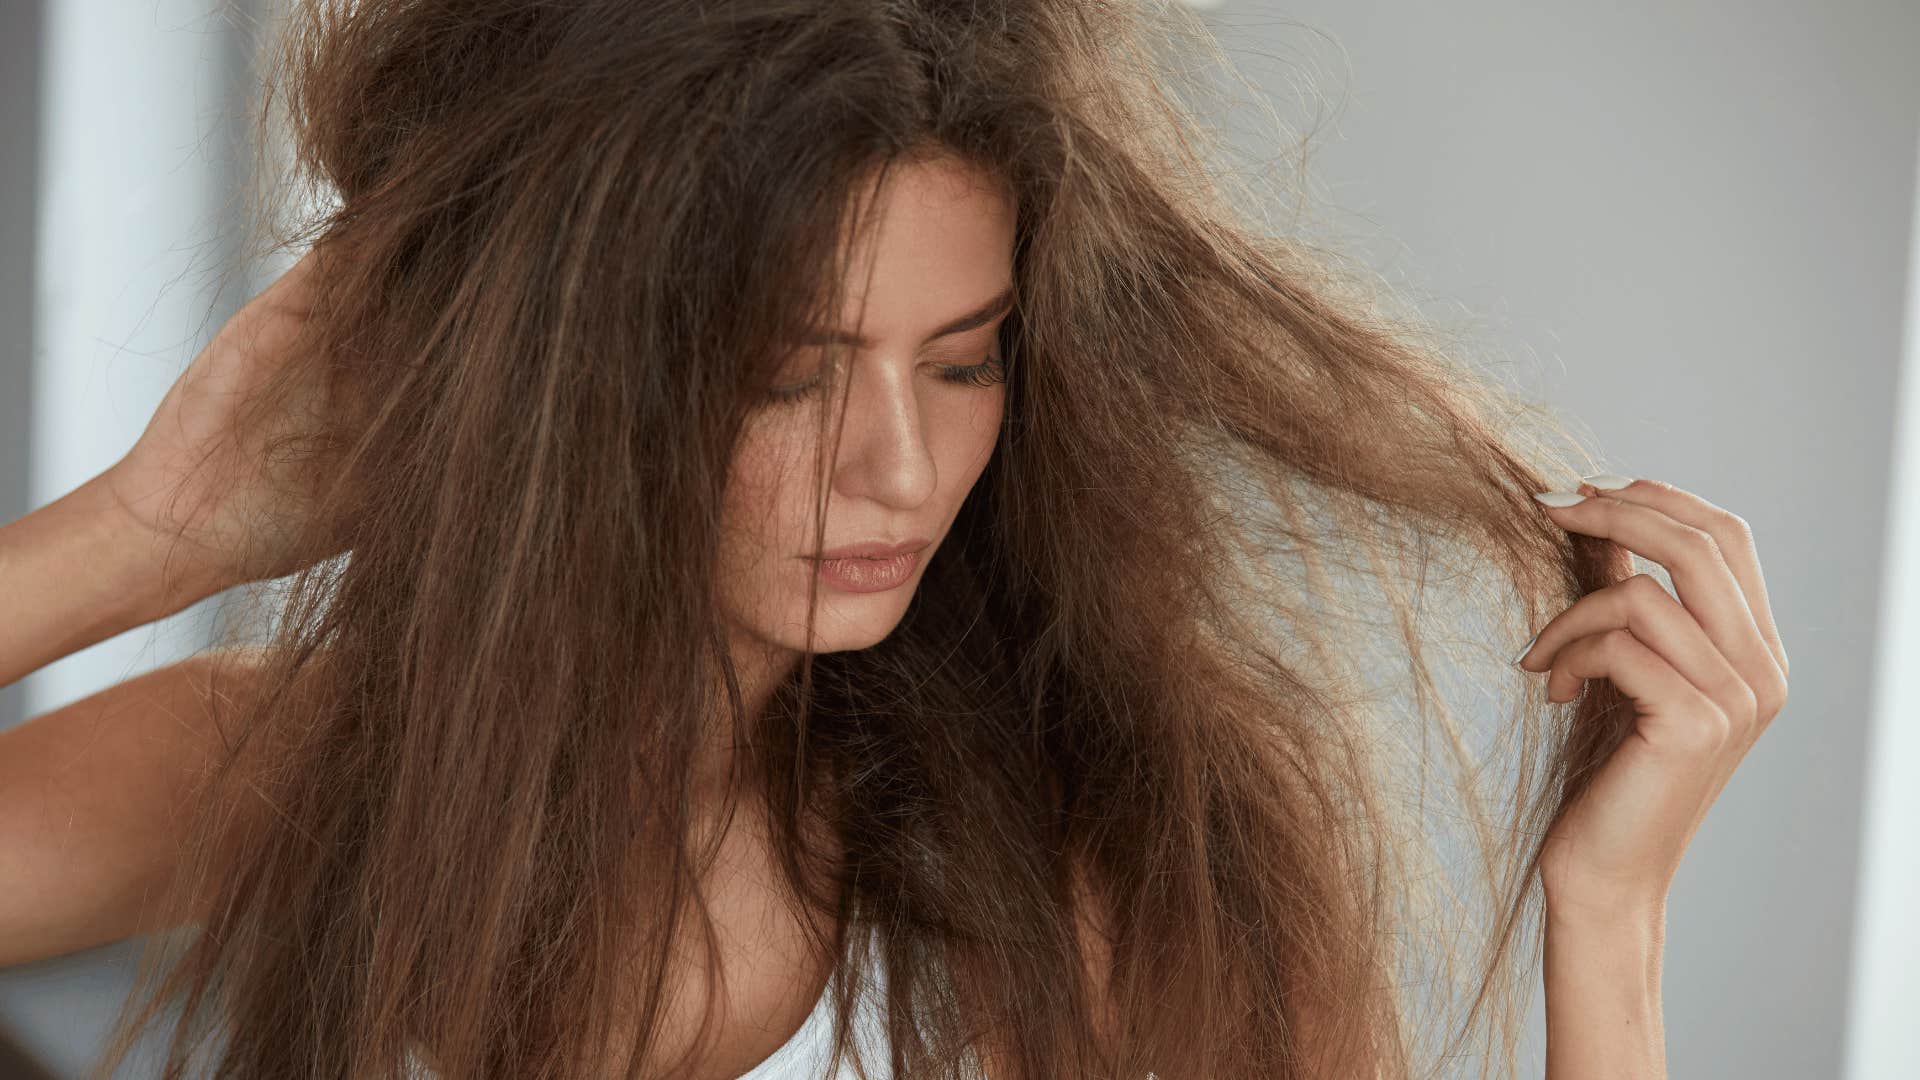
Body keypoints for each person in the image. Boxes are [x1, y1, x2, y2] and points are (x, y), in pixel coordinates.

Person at [0, 0, 1790, 1077]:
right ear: (563, 387)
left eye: (965, 360)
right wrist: (146, 532)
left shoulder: (1102, 880)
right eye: (787, 374)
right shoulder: (295, 772)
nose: (900, 469)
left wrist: (1608, 920)